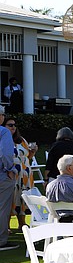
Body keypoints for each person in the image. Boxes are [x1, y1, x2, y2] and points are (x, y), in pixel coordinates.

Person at [4, 117, 36, 230]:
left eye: (14, 125)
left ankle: (22, 223)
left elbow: (27, 157)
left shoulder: (21, 140)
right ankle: (6, 225)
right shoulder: (2, 139)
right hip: (11, 174)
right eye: (10, 125)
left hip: (25, 174)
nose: (13, 127)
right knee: (10, 198)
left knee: (23, 197)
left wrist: (32, 152)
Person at [0, 106, 17, 249]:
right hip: (2, 175)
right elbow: (5, 153)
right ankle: (1, 240)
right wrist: (10, 168)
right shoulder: (3, 131)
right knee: (3, 208)